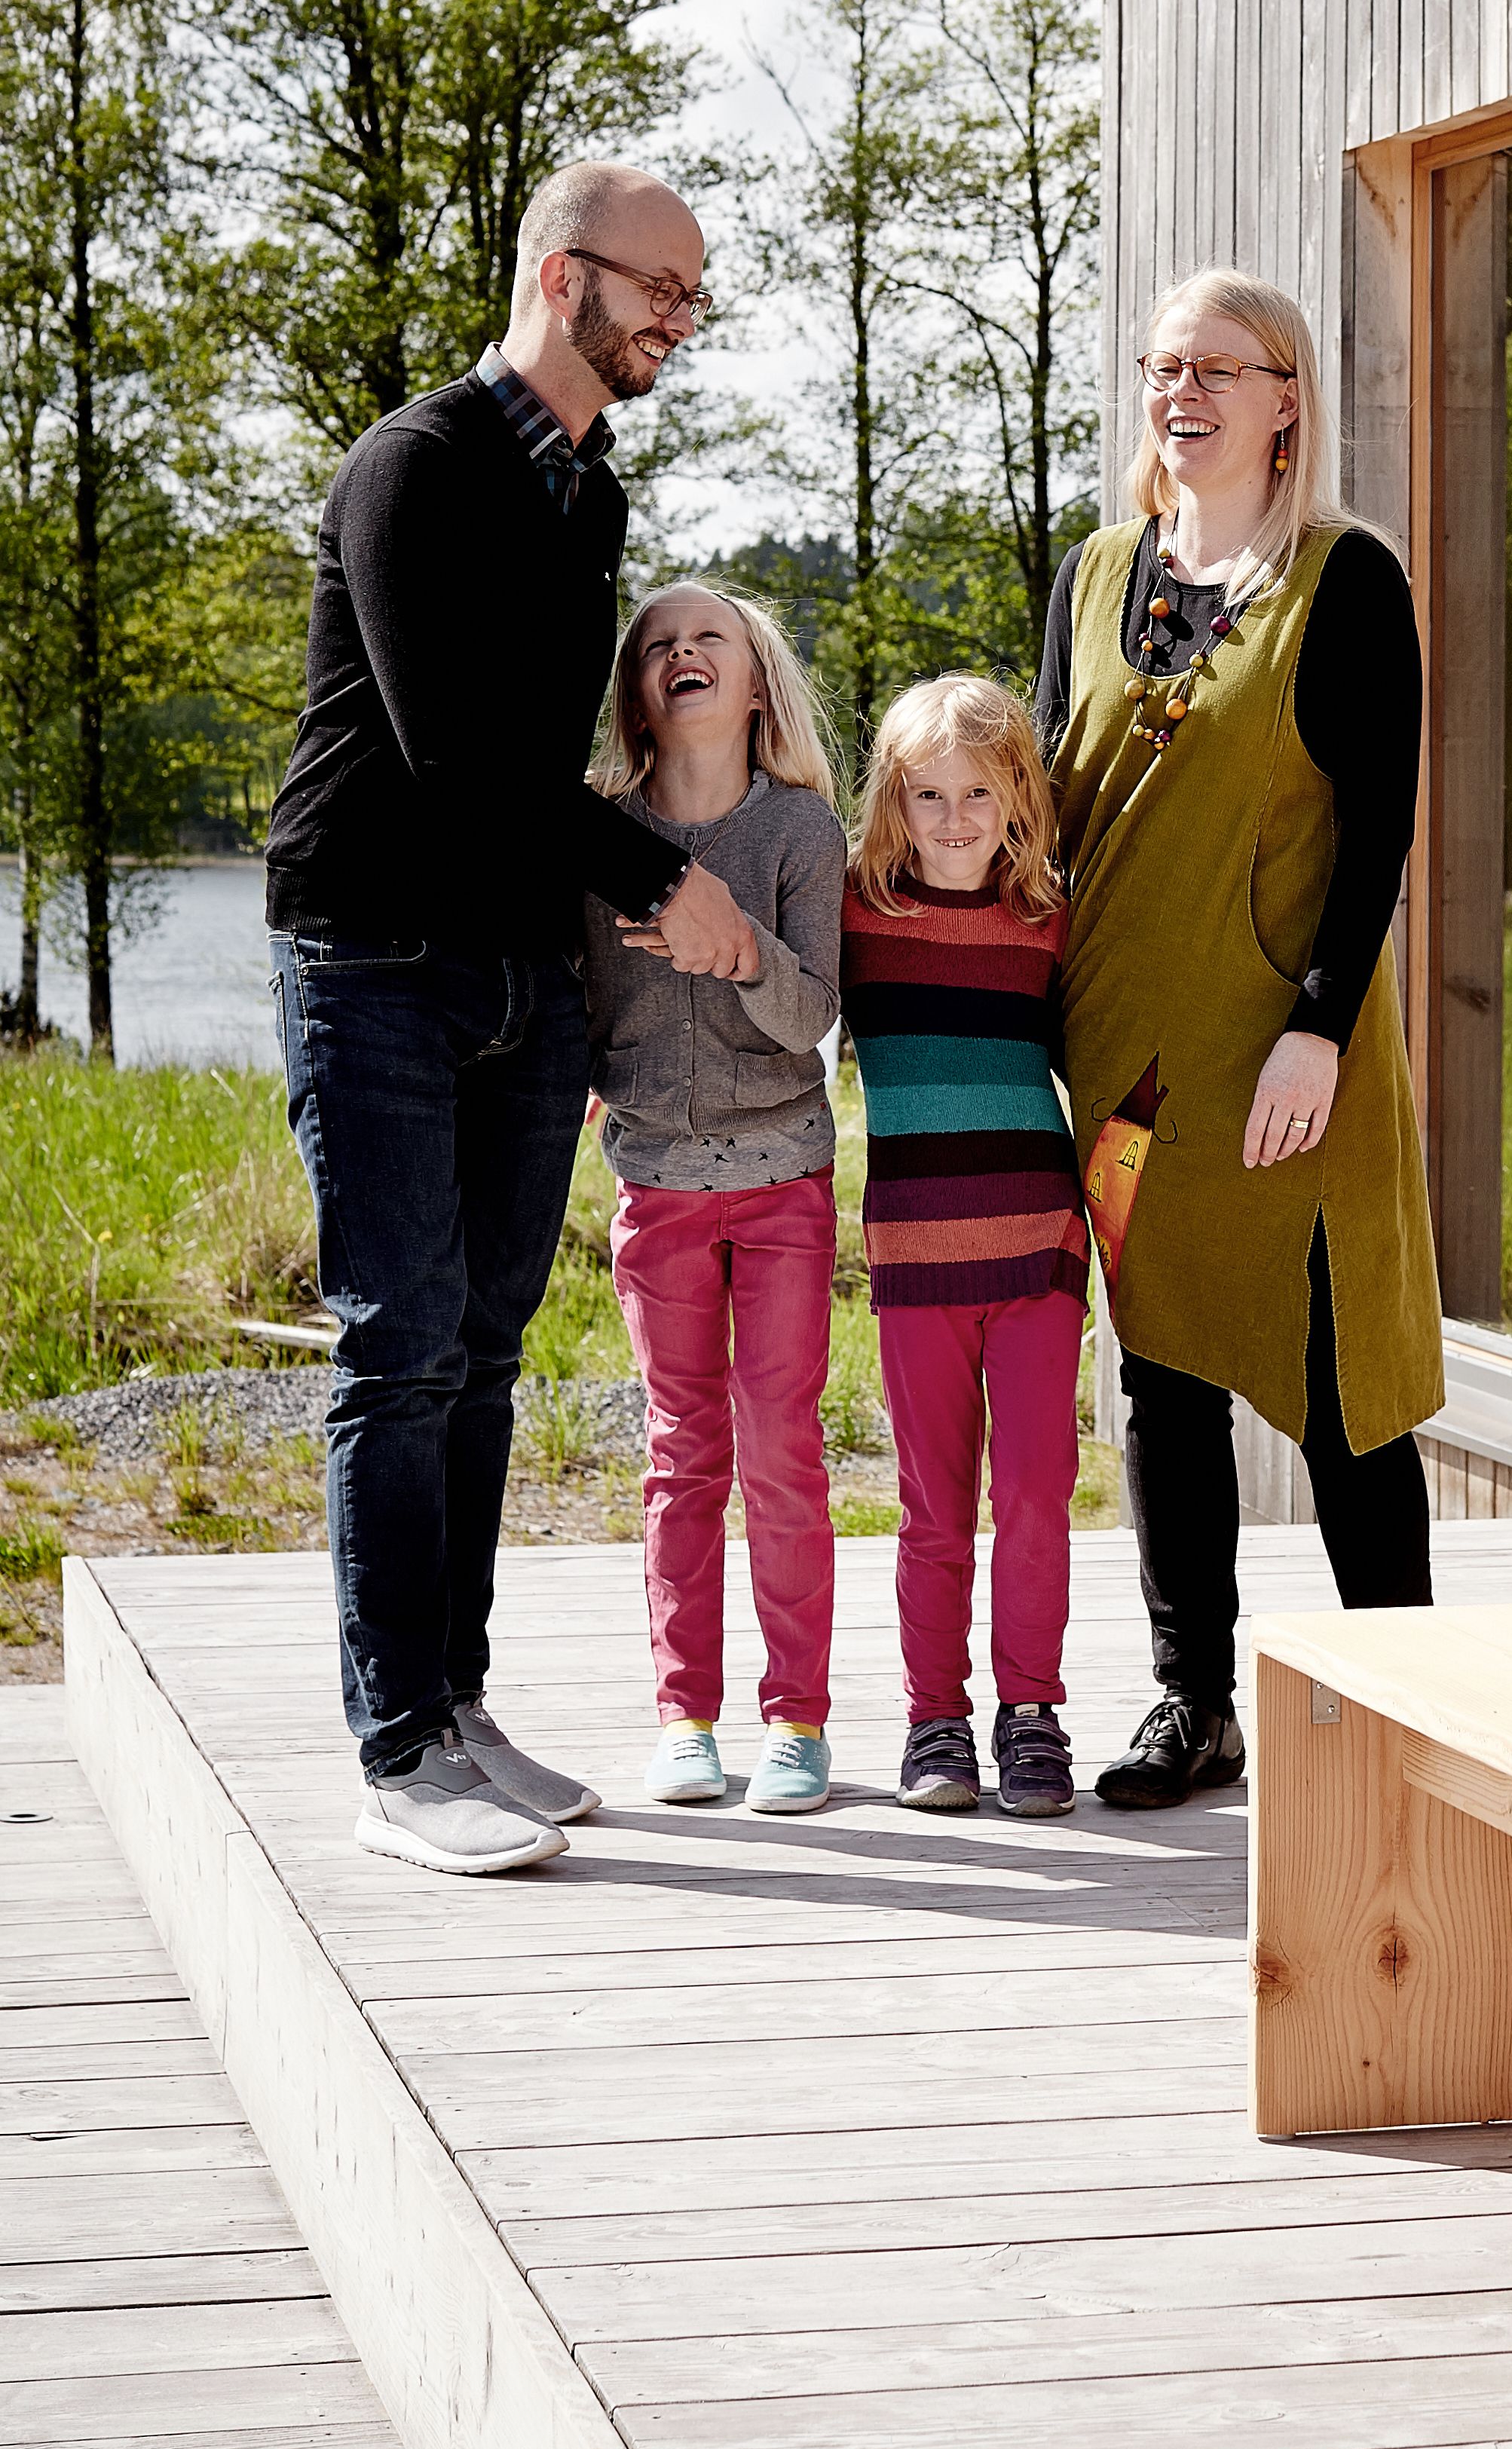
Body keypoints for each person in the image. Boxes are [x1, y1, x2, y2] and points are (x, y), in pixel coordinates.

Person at [264, 161, 764, 1877]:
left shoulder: (586, 491)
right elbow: (462, 758)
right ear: (566, 278)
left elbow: (543, 774)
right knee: (396, 1348)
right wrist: (660, 880)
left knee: (480, 1350)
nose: (681, 323)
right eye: (664, 292)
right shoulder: (419, 467)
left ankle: (459, 1702)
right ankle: (395, 1744)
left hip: (519, 978)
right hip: (375, 960)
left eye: (696, 297)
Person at [1039, 265, 1442, 1811]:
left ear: (1288, 397)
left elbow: (1378, 834)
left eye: (1217, 363)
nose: (1180, 388)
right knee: (1162, 1370)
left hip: (1285, 1056)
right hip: (1124, 1067)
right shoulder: (1096, 574)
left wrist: (1320, 1027)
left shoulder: (1344, 579)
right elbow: (1046, 816)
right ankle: (1191, 1697)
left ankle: (1412, 1707)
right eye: (1159, 363)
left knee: (1340, 1369)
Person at [583, 584, 847, 1817]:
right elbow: (581, 1020)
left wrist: (738, 945)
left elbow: (812, 1016)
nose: (682, 653)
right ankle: (686, 1714)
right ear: (640, 692)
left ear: (756, 684)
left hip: (785, 1183)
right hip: (657, 1194)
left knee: (784, 1454)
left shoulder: (798, 832)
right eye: (657, 645)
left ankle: (796, 1718)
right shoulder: (596, 834)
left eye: (711, 640)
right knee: (681, 1456)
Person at [843, 675, 1090, 1820]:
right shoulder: (854, 915)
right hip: (917, 1257)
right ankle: (933, 1713)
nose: (952, 817)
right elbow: (772, 1016)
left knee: (1037, 1493)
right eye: (926, 793)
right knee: (933, 1506)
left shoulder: (1049, 914)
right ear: (891, 801)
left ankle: (1029, 1708)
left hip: (1039, 1249)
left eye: (977, 792)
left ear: (1016, 797)